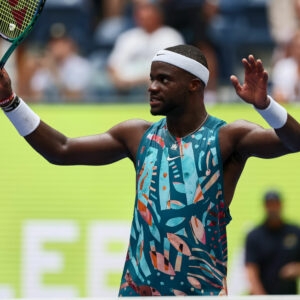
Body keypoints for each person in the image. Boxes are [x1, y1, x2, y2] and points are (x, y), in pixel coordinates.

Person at [1, 44, 300, 296]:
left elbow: (294, 142)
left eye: (163, 79)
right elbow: (61, 150)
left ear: (194, 85)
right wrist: (10, 102)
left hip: (202, 294)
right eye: (151, 78)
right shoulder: (137, 135)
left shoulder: (228, 137)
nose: (151, 86)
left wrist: (266, 106)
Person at [106, 0, 184, 95]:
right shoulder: (128, 37)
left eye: (148, 13)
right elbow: (113, 66)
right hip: (126, 85)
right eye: (141, 15)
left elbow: (175, 67)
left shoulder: (170, 36)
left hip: (156, 82)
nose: (144, 18)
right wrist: (119, 80)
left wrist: (149, 79)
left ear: (158, 16)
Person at [244, 190, 300, 295]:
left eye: (275, 204)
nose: (273, 208)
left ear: (281, 205)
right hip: (263, 294)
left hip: (289, 295)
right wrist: (262, 296)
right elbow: (251, 270)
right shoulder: (255, 236)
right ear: (264, 207)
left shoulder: (295, 232)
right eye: (269, 204)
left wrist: (295, 269)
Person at [271, 29, 300, 103]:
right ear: (292, 48)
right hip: (289, 109)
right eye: (298, 47)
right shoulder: (282, 67)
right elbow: (278, 96)